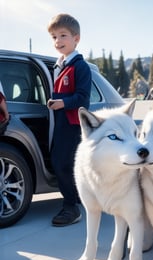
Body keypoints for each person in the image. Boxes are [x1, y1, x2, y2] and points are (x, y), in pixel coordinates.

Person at [47, 14, 91, 226]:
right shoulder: (60, 65)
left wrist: (61, 103)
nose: (58, 41)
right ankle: (76, 200)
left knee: (64, 164)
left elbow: (83, 98)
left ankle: (71, 207)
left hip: (72, 124)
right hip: (61, 122)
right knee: (60, 161)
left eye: (63, 35)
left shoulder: (79, 67)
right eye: (54, 37)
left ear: (76, 39)